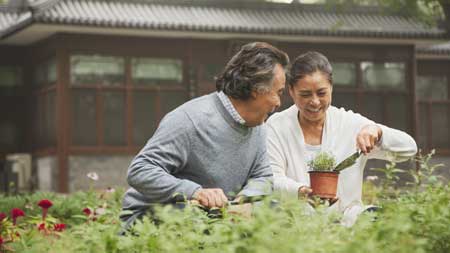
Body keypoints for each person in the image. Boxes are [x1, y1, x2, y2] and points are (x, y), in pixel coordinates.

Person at [121, 42, 289, 226]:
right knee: (198, 215)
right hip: (151, 217)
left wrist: (243, 201)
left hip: (217, 214)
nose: (279, 102)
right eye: (278, 92)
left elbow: (263, 176)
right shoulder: (190, 119)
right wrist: (197, 192)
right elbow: (140, 170)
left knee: (275, 210)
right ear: (256, 90)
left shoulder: (258, 126)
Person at [266, 51, 417, 225]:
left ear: (331, 87)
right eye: (305, 94)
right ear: (291, 91)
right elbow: (272, 178)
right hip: (295, 224)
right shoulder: (277, 126)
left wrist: (378, 132)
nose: (314, 102)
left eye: (321, 93)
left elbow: (409, 148)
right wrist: (300, 191)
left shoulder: (350, 124)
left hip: (347, 221)